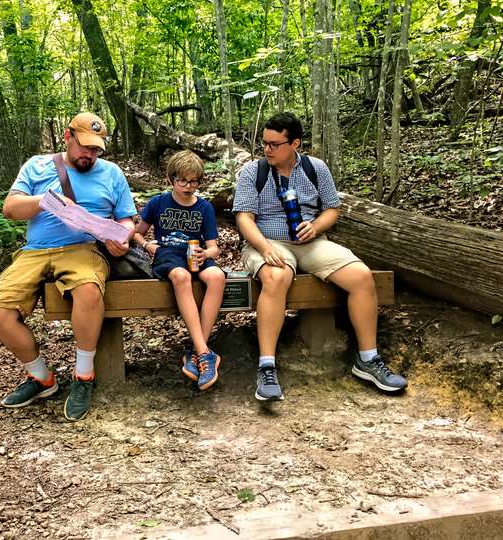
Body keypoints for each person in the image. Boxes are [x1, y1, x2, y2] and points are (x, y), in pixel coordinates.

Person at [232, 112, 407, 401]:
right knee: (277, 277)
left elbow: (332, 209)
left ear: (295, 143)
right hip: (266, 241)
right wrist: (264, 248)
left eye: (275, 144)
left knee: (361, 277)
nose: (267, 149)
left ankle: (367, 359)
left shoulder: (316, 168)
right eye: (264, 143)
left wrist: (315, 227)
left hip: (310, 242)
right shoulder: (254, 172)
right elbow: (244, 219)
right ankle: (267, 366)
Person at [0, 112, 137, 421]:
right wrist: (46, 200)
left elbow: (126, 217)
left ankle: (83, 377)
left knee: (88, 291)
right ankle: (41, 378)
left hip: (83, 248)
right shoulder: (37, 166)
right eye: (84, 147)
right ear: (67, 137)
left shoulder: (111, 173)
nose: (90, 155)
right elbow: (10, 208)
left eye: (96, 150)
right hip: (36, 251)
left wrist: (122, 236)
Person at [132, 150, 226, 390]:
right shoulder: (158, 203)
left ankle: (198, 352)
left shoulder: (204, 208)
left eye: (193, 181)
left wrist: (207, 254)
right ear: (171, 180)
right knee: (181, 276)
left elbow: (214, 247)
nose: (188, 186)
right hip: (168, 255)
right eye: (182, 180)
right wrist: (148, 245)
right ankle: (205, 353)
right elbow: (136, 232)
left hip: (195, 254)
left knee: (216, 276)